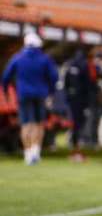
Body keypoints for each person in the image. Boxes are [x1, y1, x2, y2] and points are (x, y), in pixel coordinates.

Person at [2, 32, 59, 165]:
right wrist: (50, 92)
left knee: (26, 124)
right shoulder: (44, 58)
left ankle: (28, 154)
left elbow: (6, 76)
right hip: (40, 94)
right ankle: (35, 151)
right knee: (39, 123)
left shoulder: (18, 57)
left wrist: (5, 91)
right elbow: (54, 77)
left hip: (23, 94)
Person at [61, 45, 96, 162]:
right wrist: (89, 101)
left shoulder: (69, 64)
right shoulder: (86, 65)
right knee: (79, 124)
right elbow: (90, 83)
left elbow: (64, 82)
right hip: (81, 100)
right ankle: (76, 148)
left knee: (74, 123)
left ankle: (74, 146)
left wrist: (67, 96)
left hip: (71, 99)